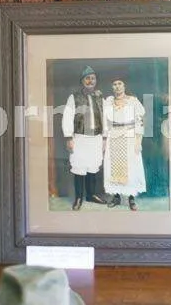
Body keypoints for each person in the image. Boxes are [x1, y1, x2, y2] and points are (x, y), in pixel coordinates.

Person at [62, 66, 107, 210]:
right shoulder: (74, 97)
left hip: (96, 137)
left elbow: (105, 118)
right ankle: (79, 197)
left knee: (93, 166)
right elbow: (67, 117)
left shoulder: (100, 98)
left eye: (93, 78)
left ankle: (91, 195)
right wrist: (69, 137)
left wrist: (104, 137)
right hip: (80, 138)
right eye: (87, 78)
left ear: (96, 81)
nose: (90, 81)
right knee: (79, 167)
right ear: (82, 81)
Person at [104, 79, 146, 211]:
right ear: (112, 87)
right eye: (114, 84)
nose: (117, 86)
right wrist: (104, 140)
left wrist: (138, 141)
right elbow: (106, 123)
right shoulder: (109, 102)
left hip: (129, 137)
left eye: (120, 84)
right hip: (113, 137)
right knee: (114, 166)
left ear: (124, 86)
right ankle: (116, 196)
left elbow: (140, 122)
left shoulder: (132, 101)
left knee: (131, 166)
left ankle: (131, 198)